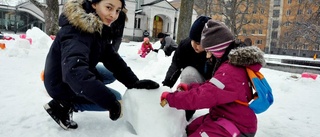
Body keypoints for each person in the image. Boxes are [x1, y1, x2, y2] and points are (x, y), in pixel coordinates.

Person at [42, 0, 159, 130]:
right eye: (109, 7)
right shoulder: (76, 30)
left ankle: (81, 95)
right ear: (94, 4)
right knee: (115, 98)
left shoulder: (96, 27)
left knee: (109, 74)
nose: (113, 15)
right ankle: (63, 104)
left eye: (117, 10)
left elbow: (112, 59)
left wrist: (134, 83)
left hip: (67, 72)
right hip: (60, 82)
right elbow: (73, 72)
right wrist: (108, 102)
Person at [160, 19, 265, 136]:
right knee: (190, 129)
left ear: (217, 48)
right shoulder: (230, 65)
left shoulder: (230, 71)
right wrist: (190, 87)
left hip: (236, 125)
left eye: (209, 51)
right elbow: (212, 85)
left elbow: (203, 96)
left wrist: (172, 98)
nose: (207, 55)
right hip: (222, 114)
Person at [162, 16, 214, 121]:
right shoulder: (185, 46)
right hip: (195, 80)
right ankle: (186, 112)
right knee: (188, 73)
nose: (195, 45)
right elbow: (175, 66)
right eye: (193, 41)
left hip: (213, 83)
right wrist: (166, 86)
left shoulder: (217, 49)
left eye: (199, 43)